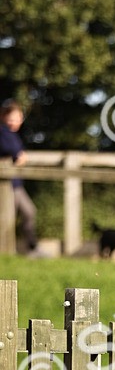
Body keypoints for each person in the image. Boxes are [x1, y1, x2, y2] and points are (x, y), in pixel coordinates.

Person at [0, 100, 42, 256]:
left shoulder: (13, 135)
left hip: (15, 184)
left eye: (18, 118)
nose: (15, 122)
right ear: (4, 117)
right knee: (6, 219)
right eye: (12, 118)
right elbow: (10, 152)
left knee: (29, 212)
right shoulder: (3, 133)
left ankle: (31, 248)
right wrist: (19, 157)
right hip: (5, 185)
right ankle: (8, 251)